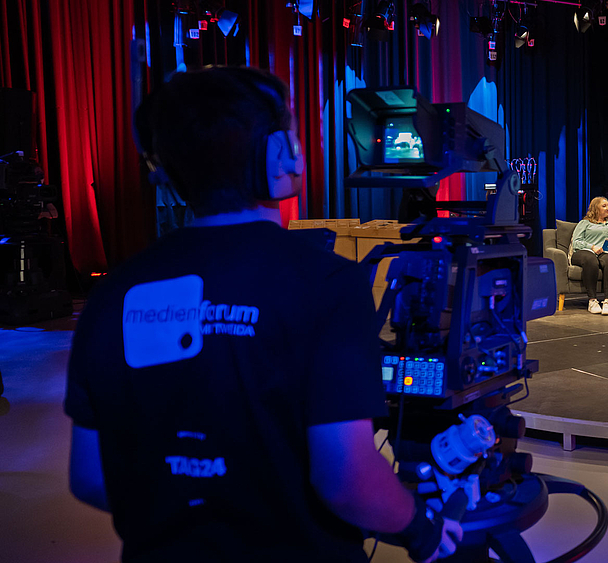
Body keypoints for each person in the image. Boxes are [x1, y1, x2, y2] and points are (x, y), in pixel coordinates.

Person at [64, 67, 459, 563]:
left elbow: (90, 477)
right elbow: (346, 477)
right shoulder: (328, 284)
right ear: (279, 157)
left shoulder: (111, 294)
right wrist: (421, 529)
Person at [571, 196, 608, 315]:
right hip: (585, 252)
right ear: (595, 208)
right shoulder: (585, 223)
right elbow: (576, 242)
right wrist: (592, 247)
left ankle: (607, 301)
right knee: (591, 260)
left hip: (606, 252)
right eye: (604, 206)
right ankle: (592, 301)